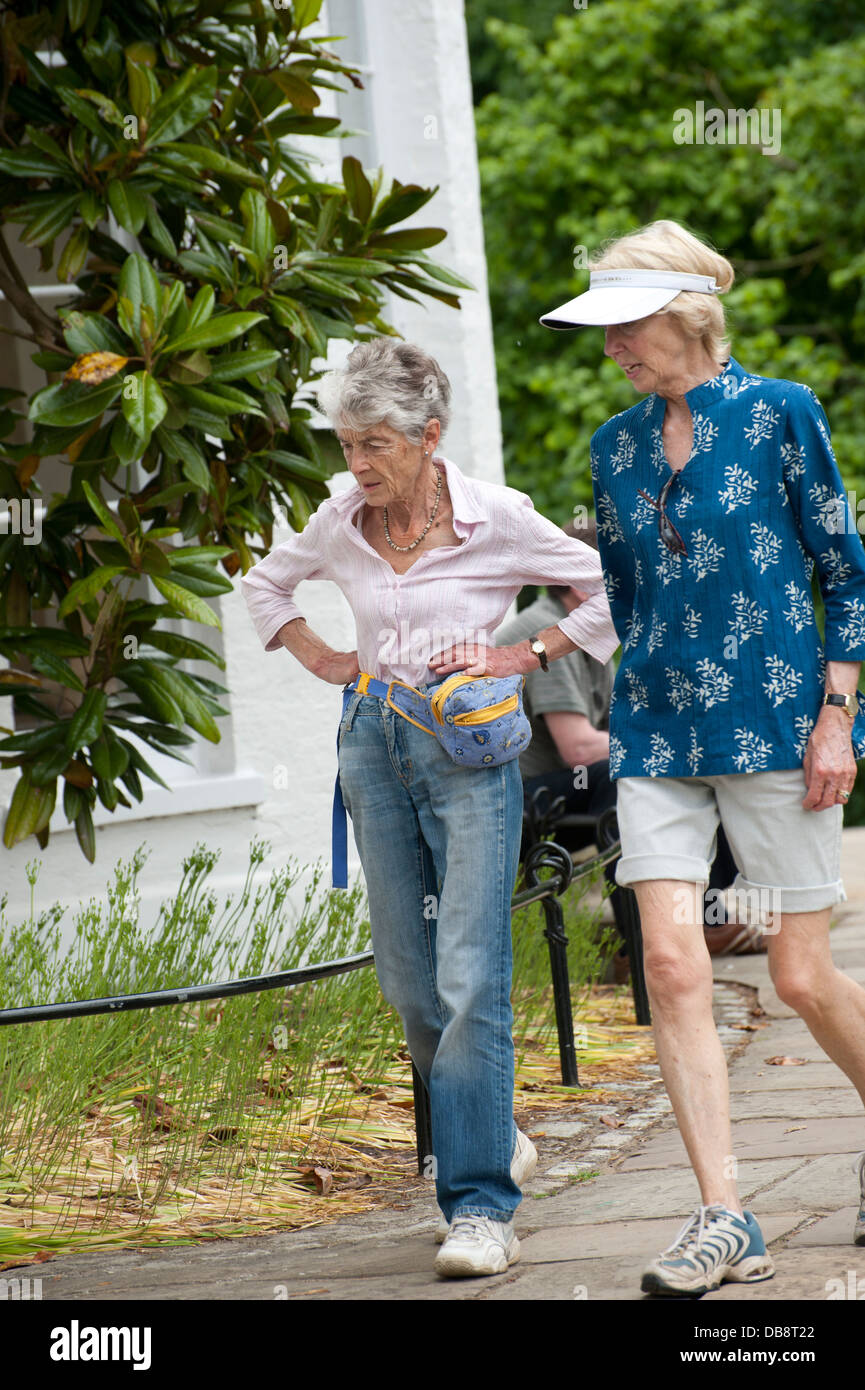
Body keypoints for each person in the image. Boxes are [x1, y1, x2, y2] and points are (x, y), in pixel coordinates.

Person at [240, 338, 618, 1279]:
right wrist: (323, 657)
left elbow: (609, 587)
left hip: (467, 755)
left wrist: (519, 657)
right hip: (372, 747)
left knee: (470, 976)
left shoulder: (496, 518)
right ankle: (496, 1127)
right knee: (411, 986)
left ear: (429, 436)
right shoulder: (341, 517)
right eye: (345, 444)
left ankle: (481, 1205)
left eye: (375, 445)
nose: (357, 465)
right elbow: (263, 583)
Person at [540, 218, 865, 1296]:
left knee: (798, 975)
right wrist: (526, 657)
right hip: (656, 734)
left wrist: (837, 715)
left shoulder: (781, 413)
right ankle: (724, 1214)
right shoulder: (611, 446)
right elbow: (620, 600)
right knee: (672, 963)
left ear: (686, 317)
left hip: (776, 722)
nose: (611, 351)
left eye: (624, 327)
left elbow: (843, 571)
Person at [496, 519, 760, 967]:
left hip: (561, 788)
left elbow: (623, 726)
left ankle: (700, 922)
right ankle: (638, 950)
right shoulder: (544, 630)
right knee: (621, 778)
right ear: (585, 582)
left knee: (706, 767)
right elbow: (577, 748)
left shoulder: (589, 629)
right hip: (519, 800)